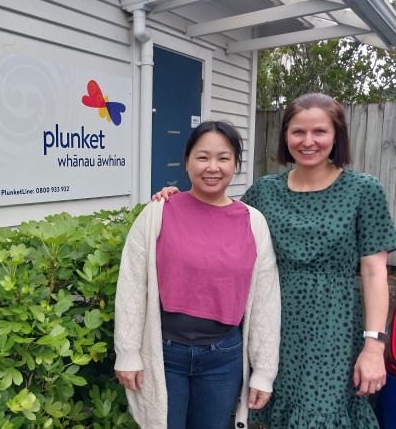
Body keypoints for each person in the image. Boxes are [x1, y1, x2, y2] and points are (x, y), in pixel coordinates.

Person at [153, 93, 396, 428]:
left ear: (337, 135)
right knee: (275, 413)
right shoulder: (265, 191)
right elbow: (221, 217)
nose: (308, 141)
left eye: (319, 132)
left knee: (321, 416)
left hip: (333, 328)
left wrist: (373, 346)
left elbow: (374, 273)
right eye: (298, 132)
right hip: (272, 324)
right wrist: (176, 199)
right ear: (285, 136)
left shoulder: (363, 190)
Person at [115, 121, 281, 429]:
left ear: (236, 164)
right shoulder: (158, 212)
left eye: (224, 157)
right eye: (203, 157)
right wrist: (127, 353)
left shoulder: (253, 223)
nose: (213, 167)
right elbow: (132, 285)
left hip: (224, 358)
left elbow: (265, 301)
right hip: (164, 356)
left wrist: (263, 371)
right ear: (187, 161)